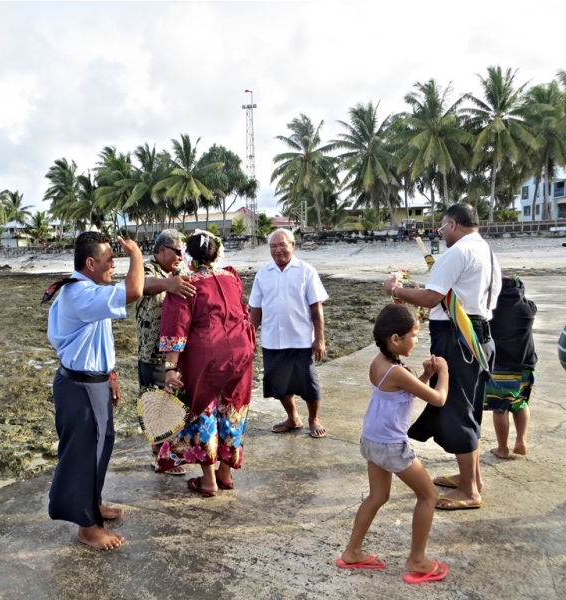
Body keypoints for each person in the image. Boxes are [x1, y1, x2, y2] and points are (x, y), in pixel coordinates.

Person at [385, 203, 501, 510]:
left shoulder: (458, 252)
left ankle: (470, 492)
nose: (441, 234)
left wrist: (396, 290)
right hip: (478, 336)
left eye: (441, 229)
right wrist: (415, 290)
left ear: (452, 225)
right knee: (470, 409)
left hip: (457, 338)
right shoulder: (486, 252)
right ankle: (471, 479)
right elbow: (449, 296)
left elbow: (431, 298)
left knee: (456, 411)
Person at [337, 304, 449, 585]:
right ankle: (418, 560)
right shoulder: (396, 371)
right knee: (429, 496)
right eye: (414, 335)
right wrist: (443, 372)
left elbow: (405, 391)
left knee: (377, 497)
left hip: (372, 441)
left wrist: (424, 375)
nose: (417, 340)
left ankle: (352, 552)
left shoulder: (380, 362)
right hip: (391, 446)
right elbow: (437, 399)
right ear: (396, 339)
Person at [45, 231, 144, 550]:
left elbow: (98, 341)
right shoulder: (79, 293)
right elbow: (135, 290)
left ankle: (93, 503)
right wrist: (136, 256)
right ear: (90, 263)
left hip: (94, 381)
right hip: (78, 386)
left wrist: (111, 375)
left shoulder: (91, 290)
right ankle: (87, 527)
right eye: (109, 260)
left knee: (101, 447)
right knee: (82, 454)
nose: (114, 265)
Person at [157, 230, 255, 496]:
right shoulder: (232, 278)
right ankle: (225, 474)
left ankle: (209, 480)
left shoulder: (185, 284)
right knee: (231, 408)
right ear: (218, 253)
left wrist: (170, 368)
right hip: (240, 352)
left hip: (205, 354)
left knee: (204, 411)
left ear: (189, 255)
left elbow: (176, 329)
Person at [249, 228, 329, 437]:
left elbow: (316, 308)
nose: (278, 250)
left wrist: (319, 339)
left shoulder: (306, 271)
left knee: (309, 383)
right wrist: (249, 337)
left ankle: (314, 419)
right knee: (279, 384)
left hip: (301, 339)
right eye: (273, 246)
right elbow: (255, 309)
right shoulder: (263, 273)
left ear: (292, 245)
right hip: (272, 341)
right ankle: (293, 418)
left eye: (282, 245)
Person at [135, 229, 196, 475]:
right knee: (154, 403)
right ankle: (160, 455)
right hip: (152, 352)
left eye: (183, 252)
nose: (181, 256)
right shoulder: (148, 269)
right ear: (161, 250)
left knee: (173, 403)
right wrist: (168, 284)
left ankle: (164, 449)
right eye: (177, 251)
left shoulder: (180, 273)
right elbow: (142, 286)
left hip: (176, 354)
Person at [485, 276, 537, 458]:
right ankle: (521, 440)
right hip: (525, 364)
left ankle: (503, 448)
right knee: (521, 402)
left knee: (500, 407)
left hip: (500, 366)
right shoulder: (528, 309)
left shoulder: (491, 310)